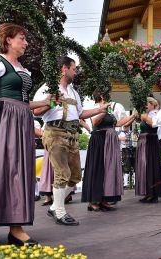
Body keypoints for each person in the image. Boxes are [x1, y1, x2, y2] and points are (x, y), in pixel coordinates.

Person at [0, 23, 56, 246]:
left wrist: (47, 102)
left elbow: (24, 101)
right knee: (2, 168)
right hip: (4, 119)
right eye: (22, 38)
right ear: (8, 40)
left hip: (22, 119)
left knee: (19, 170)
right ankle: (1, 224)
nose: (25, 43)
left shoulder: (23, 68)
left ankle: (13, 226)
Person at [33, 57, 108, 226]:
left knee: (75, 176)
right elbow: (36, 111)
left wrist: (99, 109)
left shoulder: (74, 92)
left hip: (72, 134)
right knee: (62, 174)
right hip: (55, 132)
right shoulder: (47, 88)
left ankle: (54, 206)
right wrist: (51, 103)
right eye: (74, 69)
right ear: (64, 69)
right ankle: (60, 212)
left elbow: (80, 114)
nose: (76, 72)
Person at [81, 89, 135, 211]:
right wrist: (103, 110)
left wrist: (132, 116)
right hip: (99, 140)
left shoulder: (109, 109)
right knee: (98, 169)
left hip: (110, 141)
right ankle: (94, 200)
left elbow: (117, 123)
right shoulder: (95, 107)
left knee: (108, 170)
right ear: (100, 96)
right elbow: (95, 122)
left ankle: (104, 198)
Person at [136, 97, 161, 203]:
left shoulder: (155, 113)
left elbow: (154, 124)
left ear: (152, 104)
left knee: (151, 166)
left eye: (147, 104)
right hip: (145, 141)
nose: (145, 106)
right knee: (145, 167)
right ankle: (148, 192)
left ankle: (153, 193)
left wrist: (144, 118)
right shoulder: (148, 114)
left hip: (151, 141)